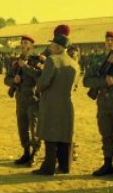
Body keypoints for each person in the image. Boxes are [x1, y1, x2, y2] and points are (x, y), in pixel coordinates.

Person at [33, 25, 80, 175]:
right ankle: (65, 165)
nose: (50, 47)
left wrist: (38, 89)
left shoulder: (52, 60)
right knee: (65, 134)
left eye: (52, 45)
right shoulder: (75, 63)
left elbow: (43, 82)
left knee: (50, 134)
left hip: (51, 103)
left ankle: (49, 166)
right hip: (68, 104)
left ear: (58, 47)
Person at [83, 31, 113, 180]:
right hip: (103, 103)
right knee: (106, 135)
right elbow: (87, 81)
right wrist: (104, 82)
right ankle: (108, 164)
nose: (110, 42)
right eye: (107, 40)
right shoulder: (98, 60)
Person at [4, 35, 42, 166]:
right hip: (20, 99)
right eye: (22, 43)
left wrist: (25, 67)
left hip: (33, 99)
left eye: (26, 43)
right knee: (22, 127)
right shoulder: (16, 62)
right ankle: (26, 151)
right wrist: (13, 80)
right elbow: (6, 79)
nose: (23, 45)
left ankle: (35, 152)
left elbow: (39, 76)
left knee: (34, 127)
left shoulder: (37, 60)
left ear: (31, 46)